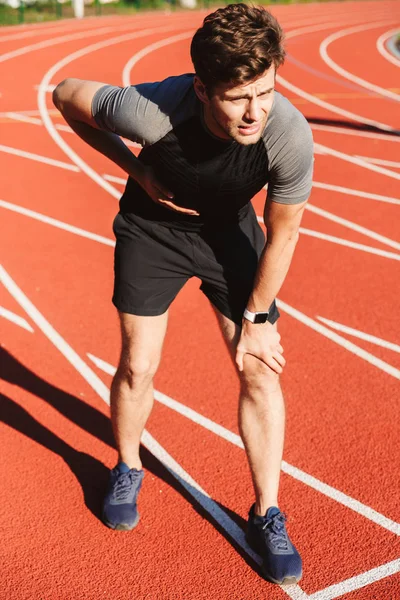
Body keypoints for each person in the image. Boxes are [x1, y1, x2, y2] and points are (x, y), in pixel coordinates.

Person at [53, 3, 313, 586]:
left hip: (229, 232)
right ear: (201, 89)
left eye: (265, 91)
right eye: (237, 97)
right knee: (139, 366)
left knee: (258, 368)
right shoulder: (150, 111)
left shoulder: (287, 133)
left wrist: (258, 316)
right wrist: (134, 169)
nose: (256, 112)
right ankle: (127, 465)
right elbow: (66, 93)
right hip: (154, 231)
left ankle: (267, 510)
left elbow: (285, 229)